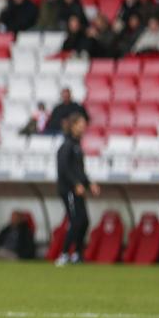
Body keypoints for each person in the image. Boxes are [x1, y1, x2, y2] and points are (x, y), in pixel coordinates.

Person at [55, 113, 100, 266]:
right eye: (81, 124)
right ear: (73, 126)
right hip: (69, 190)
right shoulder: (67, 145)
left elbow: (79, 170)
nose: (83, 127)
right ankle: (64, 254)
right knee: (75, 221)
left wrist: (89, 183)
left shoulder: (77, 145)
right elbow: (64, 169)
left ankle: (78, 254)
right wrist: (75, 184)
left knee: (84, 221)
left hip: (77, 190)